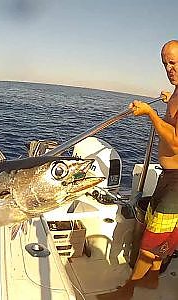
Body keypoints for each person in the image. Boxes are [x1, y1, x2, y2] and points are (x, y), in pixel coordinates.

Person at [97, 40, 178, 299]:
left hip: (177, 182)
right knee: (156, 227)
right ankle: (152, 281)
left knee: (151, 244)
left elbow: (176, 140)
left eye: (173, 62)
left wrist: (151, 114)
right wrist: (168, 102)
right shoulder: (176, 92)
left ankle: (127, 291)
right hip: (168, 177)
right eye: (165, 63)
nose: (168, 68)